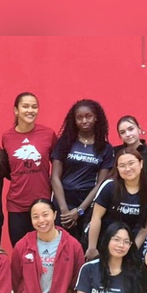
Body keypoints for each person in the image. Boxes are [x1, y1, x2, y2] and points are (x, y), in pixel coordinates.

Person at [51, 99, 115, 245]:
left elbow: (101, 183)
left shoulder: (105, 148)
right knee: (60, 248)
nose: (84, 121)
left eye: (88, 116)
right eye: (79, 118)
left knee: (82, 247)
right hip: (62, 201)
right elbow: (54, 177)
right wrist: (64, 211)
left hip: (87, 204)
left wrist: (79, 211)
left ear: (96, 117)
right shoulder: (65, 142)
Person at [2, 92, 57, 246]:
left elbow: (58, 165)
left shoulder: (48, 134)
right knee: (21, 251)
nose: (30, 110)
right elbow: (9, 169)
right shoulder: (7, 136)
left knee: (45, 250)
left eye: (34, 107)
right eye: (25, 106)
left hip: (42, 203)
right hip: (17, 204)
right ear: (16, 110)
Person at [85, 149, 147, 259]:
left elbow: (146, 224)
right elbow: (96, 218)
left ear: (141, 163)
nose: (127, 169)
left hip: (132, 242)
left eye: (131, 163)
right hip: (104, 241)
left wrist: (132, 250)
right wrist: (92, 248)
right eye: (122, 166)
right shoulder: (109, 186)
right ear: (117, 168)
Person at [115, 116, 147, 185]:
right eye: (122, 132)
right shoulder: (115, 153)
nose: (128, 134)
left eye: (131, 129)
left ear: (139, 129)